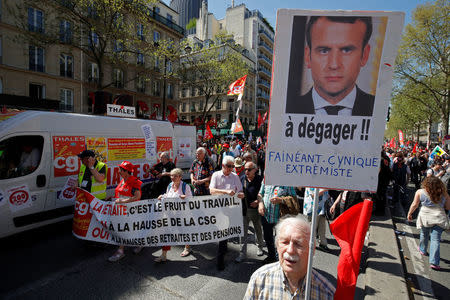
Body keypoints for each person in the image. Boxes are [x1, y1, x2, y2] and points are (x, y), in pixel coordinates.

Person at [286, 16, 374, 116]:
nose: (334, 65)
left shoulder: (377, 109)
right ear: (307, 56)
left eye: (346, 50)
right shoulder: (287, 108)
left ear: (364, 55)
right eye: (324, 51)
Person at [244, 215, 335, 299]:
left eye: (298, 244)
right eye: (285, 242)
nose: (290, 250)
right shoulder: (259, 279)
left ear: (312, 249)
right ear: (277, 246)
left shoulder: (326, 293)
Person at [407, 176, 450, 270]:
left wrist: (410, 213)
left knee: (424, 233)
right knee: (436, 239)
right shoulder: (444, 194)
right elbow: (448, 207)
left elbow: (415, 204)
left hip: (425, 216)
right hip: (439, 217)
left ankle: (423, 249)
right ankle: (434, 262)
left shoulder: (420, 192)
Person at [209, 155, 245, 270]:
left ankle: (224, 249)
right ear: (223, 166)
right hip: (219, 209)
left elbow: (241, 192)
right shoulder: (216, 175)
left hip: (232, 209)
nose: (231, 168)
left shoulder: (235, 176)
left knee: (228, 231)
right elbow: (212, 191)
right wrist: (225, 191)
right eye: (229, 166)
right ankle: (220, 260)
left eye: (232, 166)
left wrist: (240, 195)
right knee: (222, 233)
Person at [155, 168, 193, 262]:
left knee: (184, 231)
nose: (172, 177)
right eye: (171, 175)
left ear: (180, 177)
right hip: (170, 214)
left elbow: (191, 200)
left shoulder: (185, 186)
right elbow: (167, 196)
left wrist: (186, 198)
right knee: (166, 233)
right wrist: (162, 196)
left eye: (175, 176)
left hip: (182, 214)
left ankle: (187, 247)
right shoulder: (170, 185)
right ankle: (164, 255)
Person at [108, 161, 143, 262]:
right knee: (126, 229)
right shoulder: (122, 180)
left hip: (131, 210)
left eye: (121, 170)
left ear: (127, 171)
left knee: (127, 229)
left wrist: (123, 201)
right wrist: (112, 198)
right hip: (121, 210)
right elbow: (120, 194)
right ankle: (134, 245)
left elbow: (137, 196)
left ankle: (121, 251)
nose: (119, 172)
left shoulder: (134, 181)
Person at [258, 182, 298, 263]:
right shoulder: (266, 179)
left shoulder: (286, 181)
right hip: (267, 216)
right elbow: (260, 194)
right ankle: (271, 256)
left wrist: (281, 200)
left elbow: (294, 199)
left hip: (280, 217)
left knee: (281, 240)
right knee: (268, 237)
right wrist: (260, 204)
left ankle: (280, 260)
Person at [235, 161, 264, 263]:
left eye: (249, 169)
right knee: (242, 233)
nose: (246, 171)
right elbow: (237, 191)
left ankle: (260, 246)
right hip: (244, 210)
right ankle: (242, 254)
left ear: (255, 170)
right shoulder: (242, 179)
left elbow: (264, 193)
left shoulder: (260, 180)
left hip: (256, 210)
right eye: (245, 169)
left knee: (258, 229)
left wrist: (258, 201)